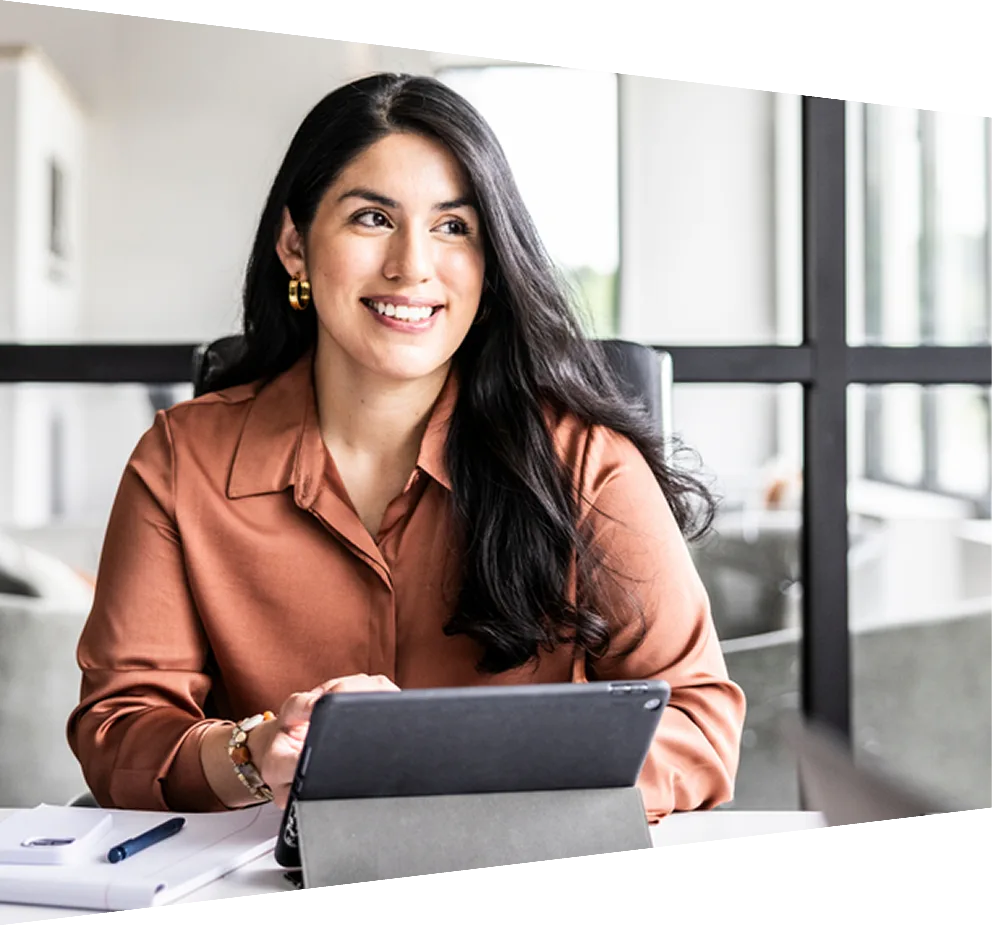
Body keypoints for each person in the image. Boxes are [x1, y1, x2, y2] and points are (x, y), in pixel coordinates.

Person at [66, 72, 746, 821]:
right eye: (371, 219)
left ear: (490, 267)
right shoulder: (180, 460)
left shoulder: (584, 463)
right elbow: (119, 728)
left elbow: (697, 725)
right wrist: (254, 754)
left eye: (454, 228)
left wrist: (462, 764)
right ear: (295, 245)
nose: (412, 266)